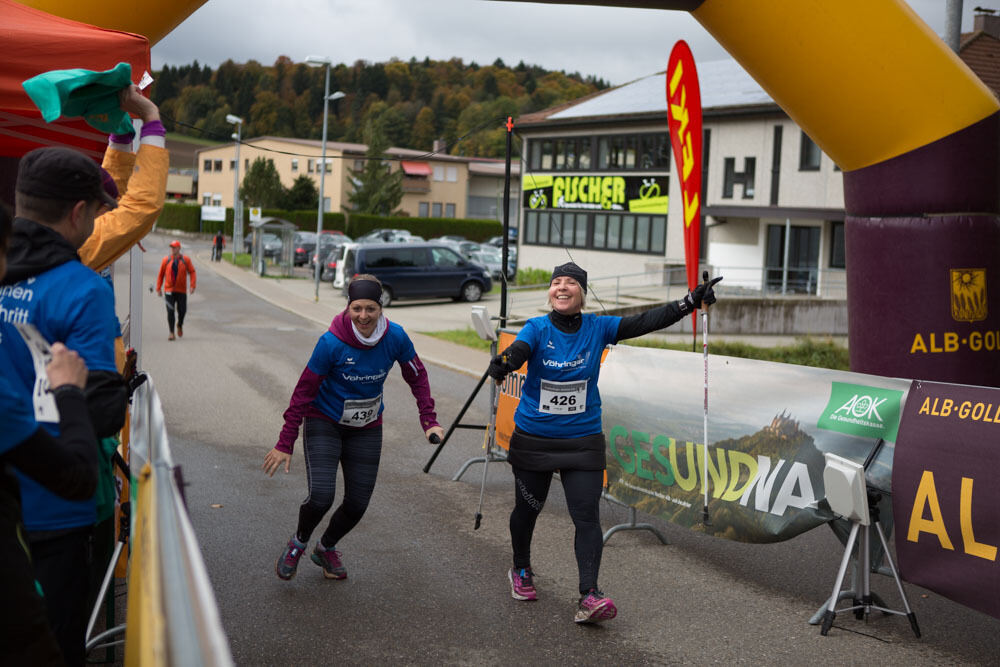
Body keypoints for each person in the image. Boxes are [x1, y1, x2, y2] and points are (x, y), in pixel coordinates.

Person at [487, 262, 721, 624]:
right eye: (556, 283)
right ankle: (520, 568)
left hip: (582, 441)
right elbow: (519, 350)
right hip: (535, 439)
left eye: (570, 283)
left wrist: (689, 302)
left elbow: (645, 321)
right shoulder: (537, 327)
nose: (561, 288)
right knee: (528, 509)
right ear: (550, 292)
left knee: (587, 516)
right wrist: (505, 362)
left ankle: (589, 595)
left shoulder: (599, 327)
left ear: (582, 292)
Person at [0, 149, 126, 665]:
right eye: (95, 213)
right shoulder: (84, 288)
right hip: (57, 505)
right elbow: (99, 411)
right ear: (78, 213)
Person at [263, 274, 445, 581]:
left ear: (380, 308)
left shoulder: (396, 337)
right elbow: (303, 393)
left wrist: (428, 419)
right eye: (357, 308)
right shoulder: (331, 343)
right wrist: (285, 441)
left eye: (370, 309)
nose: (363, 316)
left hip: (367, 426)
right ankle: (299, 543)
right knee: (321, 496)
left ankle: (326, 548)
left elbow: (417, 375)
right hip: (324, 421)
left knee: (358, 503)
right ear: (348, 307)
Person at [156, 239, 196, 341]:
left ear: (179, 248)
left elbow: (192, 272)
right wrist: (158, 288)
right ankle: (171, 332)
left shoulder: (185, 260)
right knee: (170, 311)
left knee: (182, 311)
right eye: (171, 247)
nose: (172, 249)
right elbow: (161, 275)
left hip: (181, 290)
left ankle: (180, 324)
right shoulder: (166, 260)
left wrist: (192, 285)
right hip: (169, 290)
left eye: (174, 247)